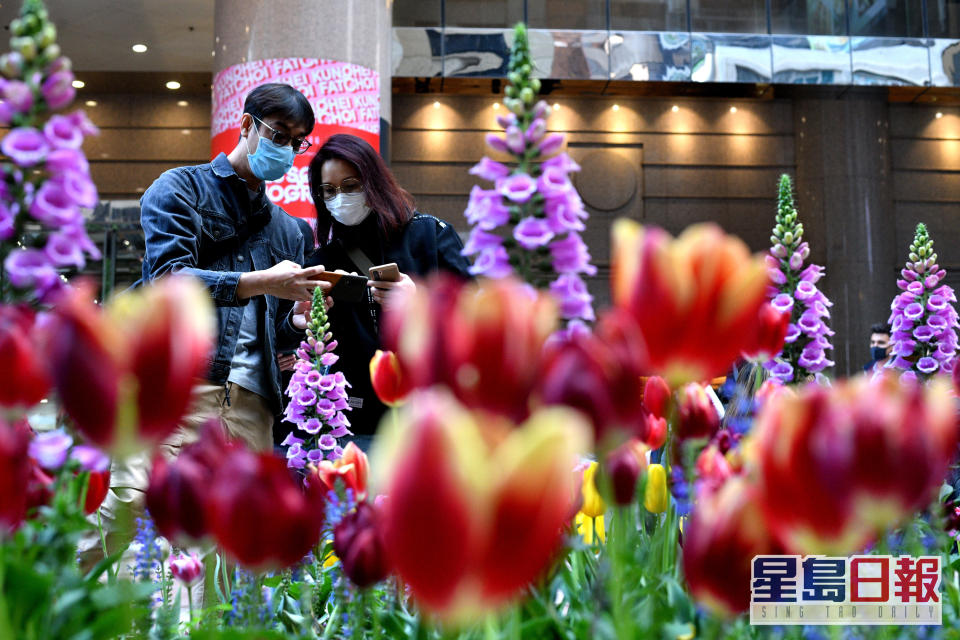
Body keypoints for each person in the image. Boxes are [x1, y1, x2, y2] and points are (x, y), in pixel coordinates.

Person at [80, 83, 330, 569]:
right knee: (126, 513)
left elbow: (273, 329)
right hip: (177, 391)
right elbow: (169, 278)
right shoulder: (179, 189)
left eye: (297, 142)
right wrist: (260, 281)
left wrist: (298, 321)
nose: (287, 150)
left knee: (233, 551)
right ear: (245, 125)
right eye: (279, 134)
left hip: (252, 408)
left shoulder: (292, 231)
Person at [302, 133, 471, 449]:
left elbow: (474, 317)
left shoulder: (429, 235)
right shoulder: (323, 259)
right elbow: (302, 341)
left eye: (351, 186)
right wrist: (301, 322)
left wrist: (420, 302)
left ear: (373, 182)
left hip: (432, 417)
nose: (340, 197)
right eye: (328, 190)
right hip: (353, 421)